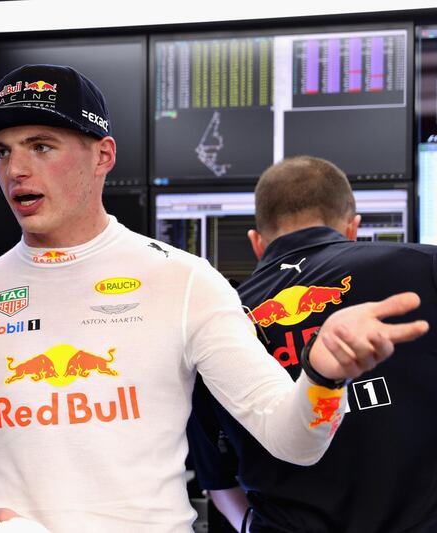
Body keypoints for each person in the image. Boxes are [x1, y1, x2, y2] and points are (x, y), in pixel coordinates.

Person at [0, 64, 427, 533]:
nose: (15, 170)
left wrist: (322, 375)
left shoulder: (184, 282)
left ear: (103, 156)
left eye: (40, 146)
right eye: (3, 151)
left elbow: (295, 440)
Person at [186, 155, 437, 532]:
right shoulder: (425, 267)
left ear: (257, 243)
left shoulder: (218, 319)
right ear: (353, 228)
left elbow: (218, 484)